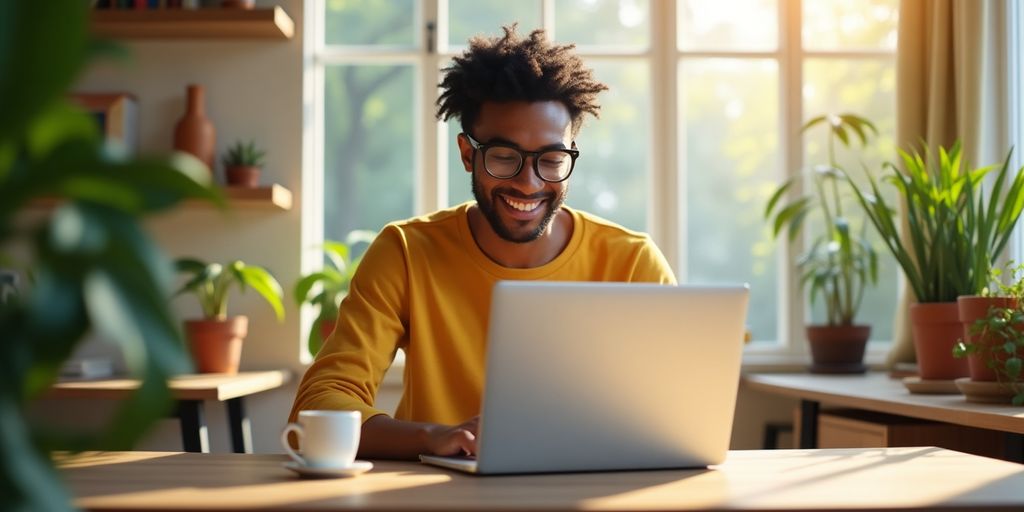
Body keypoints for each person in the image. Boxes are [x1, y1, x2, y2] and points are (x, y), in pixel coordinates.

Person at [288, 25, 676, 460]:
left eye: (551, 159)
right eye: (504, 157)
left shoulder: (632, 263)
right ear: (467, 153)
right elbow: (318, 405)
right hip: (431, 493)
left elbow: (677, 414)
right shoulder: (406, 252)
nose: (528, 184)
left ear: (571, 153)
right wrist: (430, 437)